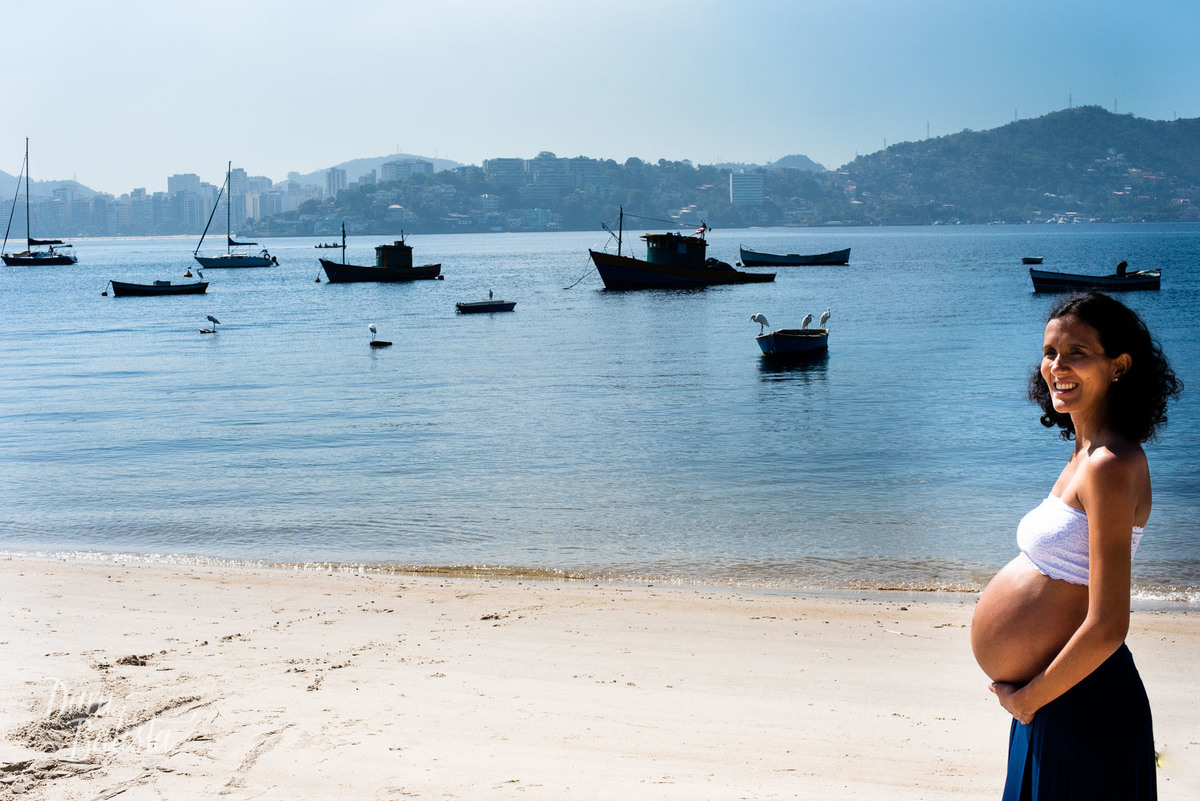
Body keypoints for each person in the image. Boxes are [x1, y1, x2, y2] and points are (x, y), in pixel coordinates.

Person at [971, 291, 1181, 800]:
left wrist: (1030, 700)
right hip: (1056, 693)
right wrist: (1033, 700)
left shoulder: (1110, 465)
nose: (1056, 366)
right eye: (1050, 353)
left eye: (1077, 353)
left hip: (1079, 698)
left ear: (1120, 366)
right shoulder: (1085, 453)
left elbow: (1109, 624)